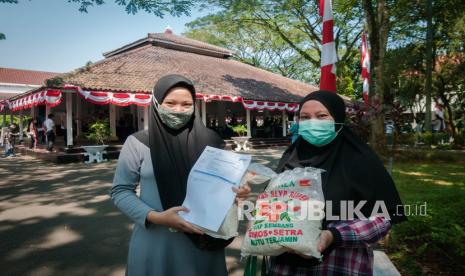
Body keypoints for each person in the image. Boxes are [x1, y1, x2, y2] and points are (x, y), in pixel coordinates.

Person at [111, 75, 251, 276]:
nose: (178, 110)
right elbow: (121, 191)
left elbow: (224, 186)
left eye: (186, 104)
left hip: (205, 241)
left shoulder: (212, 141)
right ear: (157, 103)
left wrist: (238, 193)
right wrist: (156, 217)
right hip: (157, 241)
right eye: (170, 103)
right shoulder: (138, 143)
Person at [270, 90, 406, 275]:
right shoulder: (290, 158)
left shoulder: (359, 160)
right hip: (287, 266)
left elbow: (383, 218)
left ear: (338, 119)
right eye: (305, 117)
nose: (312, 122)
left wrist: (333, 235)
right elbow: (270, 207)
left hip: (340, 264)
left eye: (322, 116)